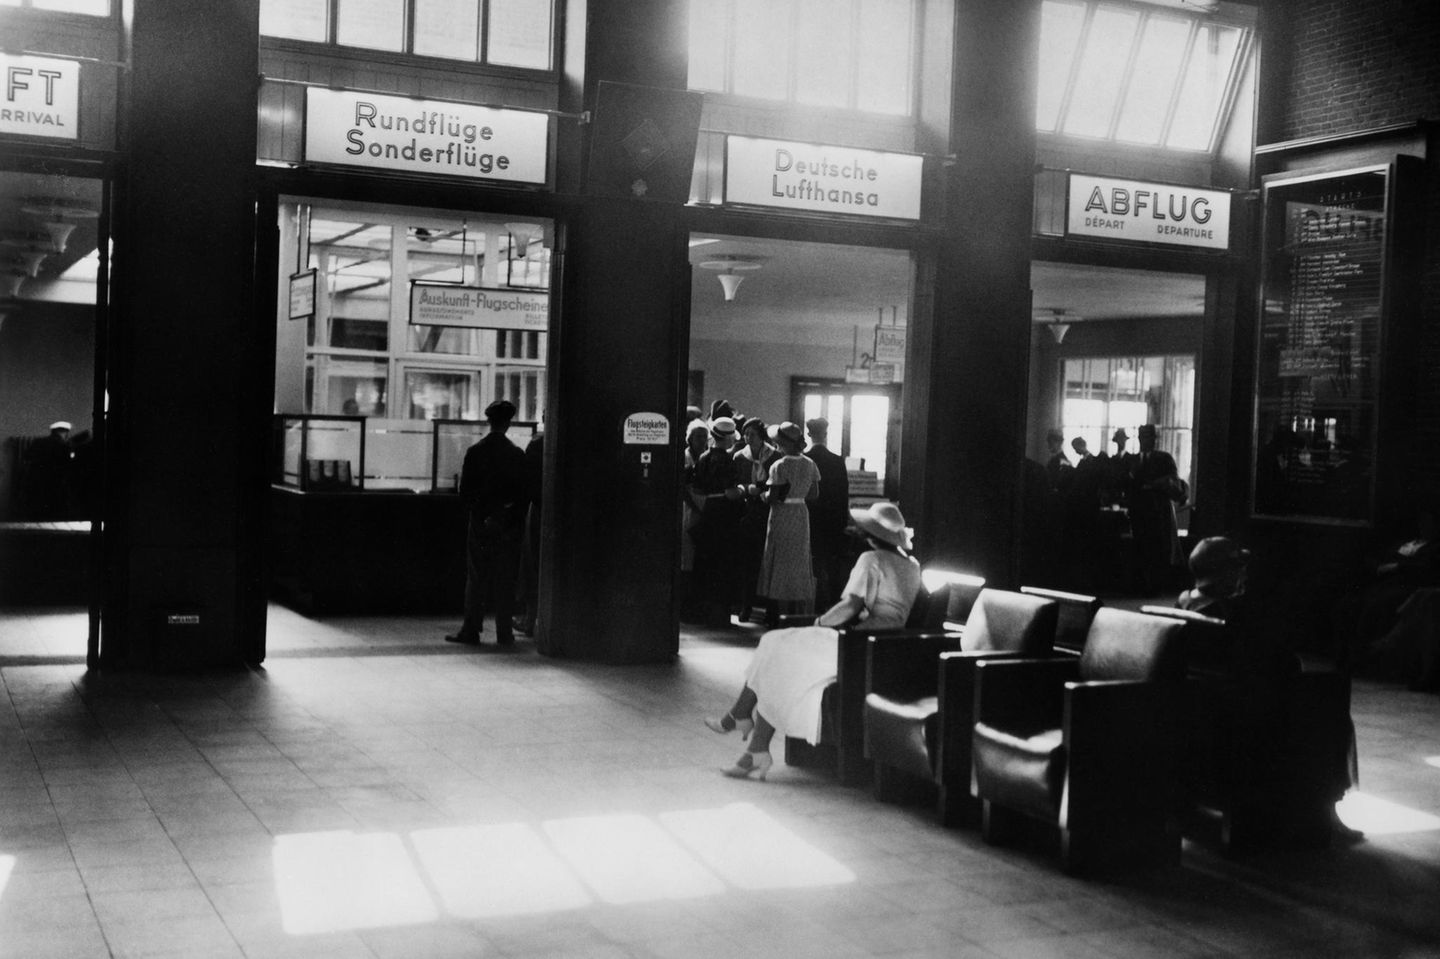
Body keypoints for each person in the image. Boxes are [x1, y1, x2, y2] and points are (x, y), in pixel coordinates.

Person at [703, 502, 923, 780]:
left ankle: (741, 721)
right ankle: (752, 743)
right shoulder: (912, 565)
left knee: (774, 646)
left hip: (855, 643)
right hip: (881, 647)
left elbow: (850, 606)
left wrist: (818, 623)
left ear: (871, 534)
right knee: (776, 654)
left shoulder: (872, 559)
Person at [1179, 537, 1362, 844]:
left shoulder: (1186, 602)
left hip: (1207, 701)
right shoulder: (1233, 612)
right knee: (1330, 704)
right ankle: (1326, 811)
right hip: (1245, 709)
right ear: (1225, 572)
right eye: (1238, 567)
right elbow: (1280, 663)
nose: (1244, 574)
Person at [447, 399, 528, 647]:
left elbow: (466, 494)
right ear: (509, 423)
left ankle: (471, 630)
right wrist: (506, 518)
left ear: (488, 421)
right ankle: (505, 633)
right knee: (505, 578)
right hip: (506, 527)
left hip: (480, 525)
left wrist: (482, 517)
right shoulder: (516, 454)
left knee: (476, 577)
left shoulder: (475, 452)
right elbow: (522, 494)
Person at [756, 422, 821, 618]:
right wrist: (797, 493)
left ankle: (779, 609)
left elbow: (773, 496)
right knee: (798, 560)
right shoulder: (810, 464)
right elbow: (814, 494)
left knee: (780, 558)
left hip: (782, 514)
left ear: (782, 443)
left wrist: (761, 495)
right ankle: (797, 608)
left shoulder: (779, 466)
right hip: (801, 514)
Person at [689, 416, 746, 626]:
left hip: (708, 512)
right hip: (725, 515)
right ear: (729, 438)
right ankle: (719, 615)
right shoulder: (728, 462)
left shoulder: (703, 458)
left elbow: (695, 488)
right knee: (723, 565)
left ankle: (701, 612)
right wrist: (742, 490)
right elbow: (731, 493)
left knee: (705, 563)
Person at [734, 417, 780, 623]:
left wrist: (760, 489)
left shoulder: (774, 457)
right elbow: (735, 481)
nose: (747, 438)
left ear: (761, 436)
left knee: (769, 562)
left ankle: (771, 609)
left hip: (768, 513)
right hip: (747, 513)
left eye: (752, 434)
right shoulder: (739, 457)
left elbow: (779, 484)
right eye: (745, 434)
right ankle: (746, 606)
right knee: (748, 562)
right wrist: (745, 488)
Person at [1127, 424, 1182, 593]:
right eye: (1142, 437)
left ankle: (1157, 585)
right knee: (1140, 547)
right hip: (1139, 510)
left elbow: (1173, 479)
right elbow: (1127, 483)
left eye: (1148, 437)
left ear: (1155, 439)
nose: (1145, 440)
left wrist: (1156, 484)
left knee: (1158, 548)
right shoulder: (1133, 460)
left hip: (1158, 510)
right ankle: (1142, 584)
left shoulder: (1164, 458)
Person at [804, 417, 850, 609]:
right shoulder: (837, 461)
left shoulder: (805, 460)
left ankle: (812, 604)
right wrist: (843, 520)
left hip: (810, 517)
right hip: (832, 518)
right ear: (826, 434)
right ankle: (831, 605)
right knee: (832, 564)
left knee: (812, 562)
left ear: (808, 435)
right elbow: (843, 494)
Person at [512, 424, 545, 637]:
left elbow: (524, 482)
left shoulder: (537, 445)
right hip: (558, 511)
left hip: (537, 510)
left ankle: (530, 618)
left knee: (532, 565)